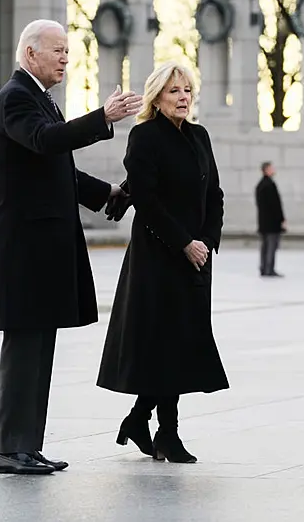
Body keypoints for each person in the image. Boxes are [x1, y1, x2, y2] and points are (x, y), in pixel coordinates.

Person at [0, 19, 142, 475]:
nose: (66, 59)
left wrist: (107, 193)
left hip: (42, 248)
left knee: (40, 349)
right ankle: (11, 449)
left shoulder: (38, 99)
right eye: (58, 51)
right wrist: (102, 118)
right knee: (24, 349)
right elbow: (46, 141)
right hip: (24, 249)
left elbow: (58, 170)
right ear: (30, 54)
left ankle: (27, 447)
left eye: (68, 52)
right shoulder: (15, 99)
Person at [97, 62, 228, 464]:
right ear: (157, 97)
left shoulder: (199, 136)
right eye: (174, 91)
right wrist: (184, 242)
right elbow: (148, 203)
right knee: (162, 346)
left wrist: (204, 242)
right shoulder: (144, 137)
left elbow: (215, 196)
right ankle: (166, 434)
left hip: (195, 258)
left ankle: (140, 420)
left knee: (181, 346)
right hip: (158, 257)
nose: (183, 97)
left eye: (187, 90)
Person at [255, 161, 286, 277]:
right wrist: (281, 219)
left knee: (265, 246)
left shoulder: (260, 185)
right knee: (271, 246)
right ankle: (269, 268)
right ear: (266, 170)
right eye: (271, 168)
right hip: (272, 223)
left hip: (263, 222)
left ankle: (264, 268)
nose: (274, 170)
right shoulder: (269, 185)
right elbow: (275, 205)